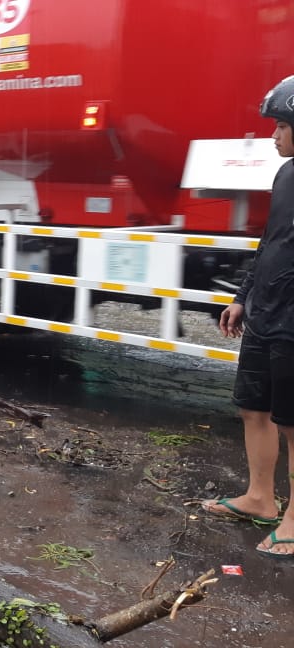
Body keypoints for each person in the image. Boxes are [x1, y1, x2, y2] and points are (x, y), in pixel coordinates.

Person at [204, 76, 294, 557]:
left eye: (282, 125)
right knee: (253, 407)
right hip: (266, 315)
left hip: (293, 322)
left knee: (293, 422)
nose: (274, 135)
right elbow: (271, 242)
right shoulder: (286, 175)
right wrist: (243, 295)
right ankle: (261, 498)